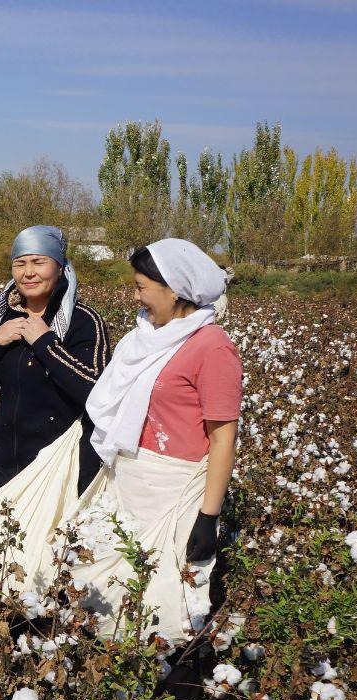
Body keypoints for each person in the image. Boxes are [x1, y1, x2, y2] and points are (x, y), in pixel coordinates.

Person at [73, 237, 242, 642]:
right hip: (129, 481)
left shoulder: (212, 347)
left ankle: (172, 689)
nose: (135, 296)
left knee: (167, 606)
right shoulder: (143, 338)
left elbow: (223, 440)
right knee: (111, 592)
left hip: (176, 490)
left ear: (175, 290)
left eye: (141, 287)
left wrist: (208, 517)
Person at [0, 225, 109, 494]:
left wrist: (45, 343)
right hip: (2, 465)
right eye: (20, 263)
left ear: (60, 267)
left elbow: (96, 393)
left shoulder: (84, 322)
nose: (28, 272)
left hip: (59, 469)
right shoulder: (5, 318)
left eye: (39, 262)